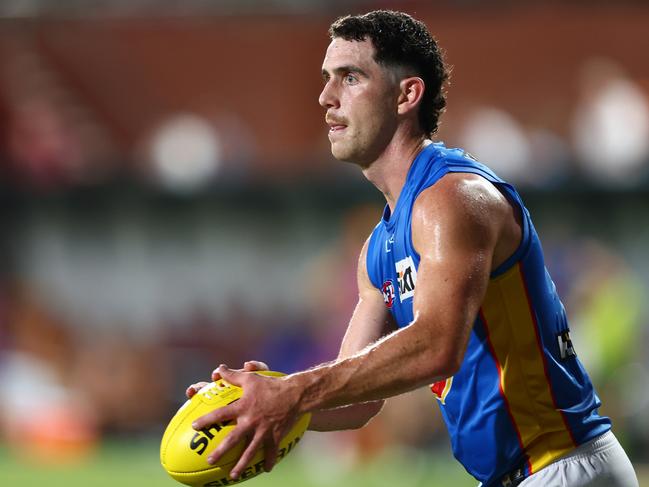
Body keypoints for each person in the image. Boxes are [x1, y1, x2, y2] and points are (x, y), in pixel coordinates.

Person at [187, 10, 639, 487]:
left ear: (407, 94)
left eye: (351, 77)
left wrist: (293, 393)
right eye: (326, 80)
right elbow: (356, 401)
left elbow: (437, 345)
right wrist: (252, 405)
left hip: (563, 468)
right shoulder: (376, 250)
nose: (325, 98)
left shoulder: (452, 199)